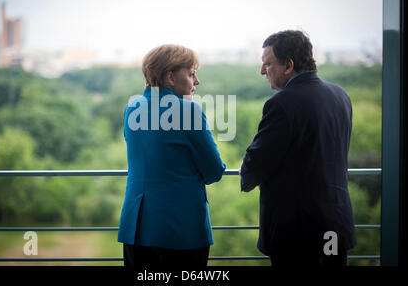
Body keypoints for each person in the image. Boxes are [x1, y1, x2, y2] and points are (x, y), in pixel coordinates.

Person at [239, 30, 356, 267]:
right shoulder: (340, 95)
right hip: (334, 225)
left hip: (297, 234)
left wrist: (248, 178)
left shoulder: (282, 104)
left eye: (267, 64)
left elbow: (255, 164)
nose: (262, 71)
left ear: (288, 65)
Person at [118, 44, 226, 269]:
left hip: (136, 228)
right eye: (191, 73)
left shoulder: (133, 107)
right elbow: (214, 171)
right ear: (169, 77)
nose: (196, 82)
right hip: (180, 232)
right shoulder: (189, 111)